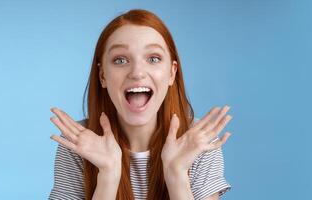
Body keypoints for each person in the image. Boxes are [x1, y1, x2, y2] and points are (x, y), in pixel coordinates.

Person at [48, 9, 232, 200]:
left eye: (153, 59)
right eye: (120, 60)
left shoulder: (197, 141)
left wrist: (176, 174)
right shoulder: (80, 142)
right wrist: (108, 176)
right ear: (103, 76)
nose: (137, 72)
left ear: (171, 72)